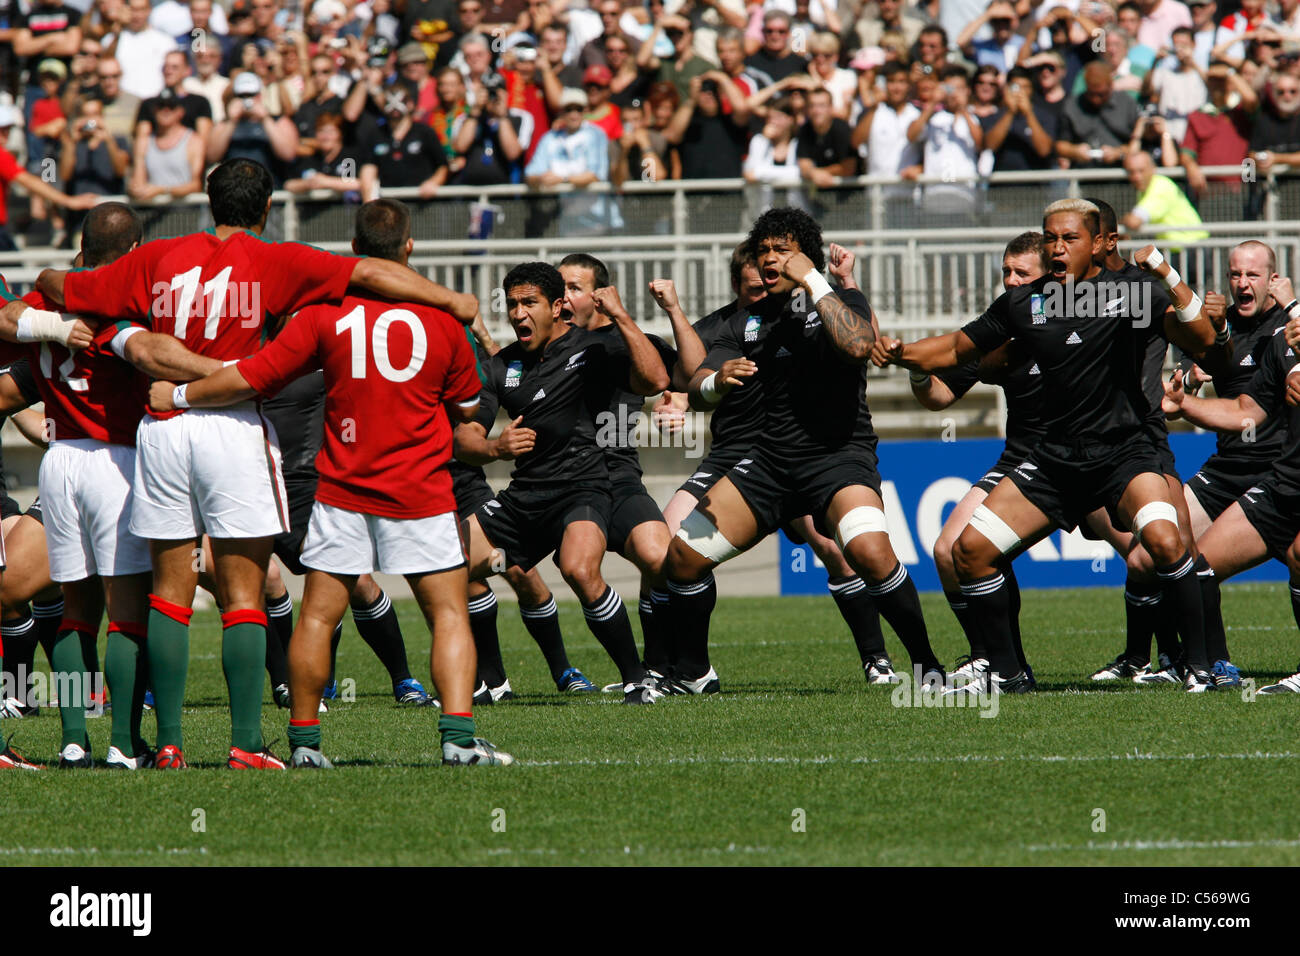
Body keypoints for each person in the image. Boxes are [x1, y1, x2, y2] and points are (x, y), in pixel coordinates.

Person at [33, 158, 478, 770]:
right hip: (234, 422)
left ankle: (166, 744)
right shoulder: (278, 259)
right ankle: (244, 744)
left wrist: (50, 294)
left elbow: (63, 285)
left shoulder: (153, 257)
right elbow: (371, 272)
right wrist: (453, 298)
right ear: (267, 208)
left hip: (161, 425)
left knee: (168, 596)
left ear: (206, 200)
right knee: (245, 594)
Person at [148, 199, 511, 768]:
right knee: (447, 613)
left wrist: (178, 394)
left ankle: (306, 745)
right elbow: (468, 405)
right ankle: (458, 740)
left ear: (356, 256)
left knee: (317, 615)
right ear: (408, 250)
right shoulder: (444, 322)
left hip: (342, 489)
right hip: (421, 487)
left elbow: (255, 374)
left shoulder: (323, 315)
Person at [874, 199, 1219, 693]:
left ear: (1100, 244)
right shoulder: (1023, 303)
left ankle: (1201, 668)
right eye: (1051, 238)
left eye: (1070, 239)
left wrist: (1169, 275)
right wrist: (902, 353)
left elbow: (1202, 336)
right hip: (1054, 460)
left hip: (1125, 453)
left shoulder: (1134, 293)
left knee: (1165, 545)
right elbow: (956, 348)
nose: (1058, 248)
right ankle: (1010, 676)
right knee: (968, 551)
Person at [665, 208, 945, 692]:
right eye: (764, 251)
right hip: (770, 461)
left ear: (805, 257)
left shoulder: (839, 299)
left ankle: (927, 669)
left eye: (782, 250)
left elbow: (859, 345)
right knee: (683, 558)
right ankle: (692, 674)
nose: (771, 259)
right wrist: (717, 381)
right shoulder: (746, 321)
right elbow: (696, 386)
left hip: (837, 456)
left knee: (871, 554)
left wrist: (816, 280)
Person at [16, 202, 225, 769]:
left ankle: (72, 738)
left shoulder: (48, 301)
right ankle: (123, 743)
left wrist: (49, 325)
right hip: (117, 458)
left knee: (71, 609)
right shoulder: (120, 300)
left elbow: (8, 316)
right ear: (133, 251)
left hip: (59, 460)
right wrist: (222, 370)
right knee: (127, 611)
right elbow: (144, 350)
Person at [453, 262, 670, 704]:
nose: (517, 313)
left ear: (556, 308)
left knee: (578, 569)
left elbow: (656, 380)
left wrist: (625, 318)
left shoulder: (592, 349)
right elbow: (463, 437)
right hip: (523, 500)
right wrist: (495, 448)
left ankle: (637, 678)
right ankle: (488, 684)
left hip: (583, 489)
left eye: (528, 303)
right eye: (512, 304)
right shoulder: (501, 367)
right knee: (451, 570)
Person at [904, 232, 1047, 685]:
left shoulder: (1075, 319)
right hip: (1021, 460)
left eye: (1022, 272)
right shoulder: (998, 325)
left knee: (1146, 553)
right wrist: (918, 371)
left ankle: (1170, 659)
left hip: (1086, 458)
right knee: (948, 549)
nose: (1010, 280)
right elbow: (939, 397)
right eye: (1006, 271)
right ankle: (991, 657)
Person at [1055, 61, 1140, 168]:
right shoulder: (1072, 106)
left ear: (1111, 86)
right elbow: (1060, 145)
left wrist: (1118, 152)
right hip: (1083, 174)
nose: (1096, 99)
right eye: (1092, 94)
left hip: (1119, 175)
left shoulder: (1126, 103)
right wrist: (1075, 151)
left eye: (1101, 94)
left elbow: (1137, 144)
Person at [129, 86, 205, 201]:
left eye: (171, 106)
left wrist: (162, 190)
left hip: (186, 213)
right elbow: (138, 180)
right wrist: (135, 188)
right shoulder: (144, 142)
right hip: (151, 212)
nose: (165, 110)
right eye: (161, 106)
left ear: (180, 112)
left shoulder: (194, 141)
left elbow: (196, 185)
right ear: (154, 111)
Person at [1121, 150, 1209, 247]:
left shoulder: (1160, 187)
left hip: (1192, 247)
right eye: (1131, 172)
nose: (1136, 177)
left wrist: (1122, 222)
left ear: (1153, 168)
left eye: (1141, 170)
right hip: (1182, 248)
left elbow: (1134, 221)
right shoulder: (1148, 187)